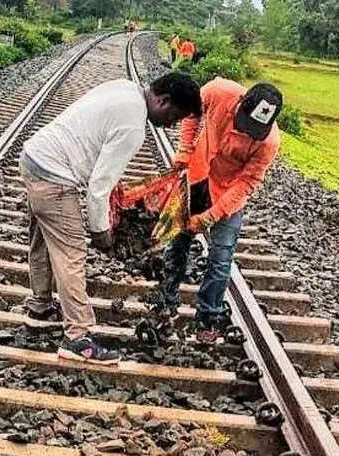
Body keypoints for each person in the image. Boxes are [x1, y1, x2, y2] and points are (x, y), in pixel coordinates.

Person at [20, 73, 202, 364]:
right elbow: (97, 188)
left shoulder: (125, 88)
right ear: (162, 100)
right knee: (71, 254)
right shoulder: (134, 126)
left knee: (42, 240)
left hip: (34, 158)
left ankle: (40, 306)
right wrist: (101, 231)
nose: (172, 125)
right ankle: (78, 337)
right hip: (54, 176)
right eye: (175, 116)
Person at [158, 77, 282, 343]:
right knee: (177, 242)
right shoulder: (218, 92)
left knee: (221, 257)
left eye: (255, 131)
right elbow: (191, 113)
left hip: (229, 196)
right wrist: (184, 149)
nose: (247, 134)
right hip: (198, 178)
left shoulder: (269, 143)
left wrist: (212, 216)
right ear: (240, 104)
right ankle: (166, 303)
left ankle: (207, 316)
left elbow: (247, 183)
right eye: (245, 124)